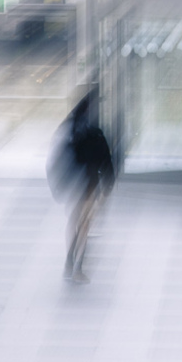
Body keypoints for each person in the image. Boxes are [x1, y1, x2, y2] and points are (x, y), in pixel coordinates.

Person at [61, 92, 115, 283]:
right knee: (84, 226)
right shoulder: (96, 134)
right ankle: (77, 268)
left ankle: (69, 262)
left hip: (74, 187)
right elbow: (106, 163)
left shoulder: (71, 131)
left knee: (74, 223)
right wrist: (108, 185)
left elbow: (60, 161)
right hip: (89, 187)